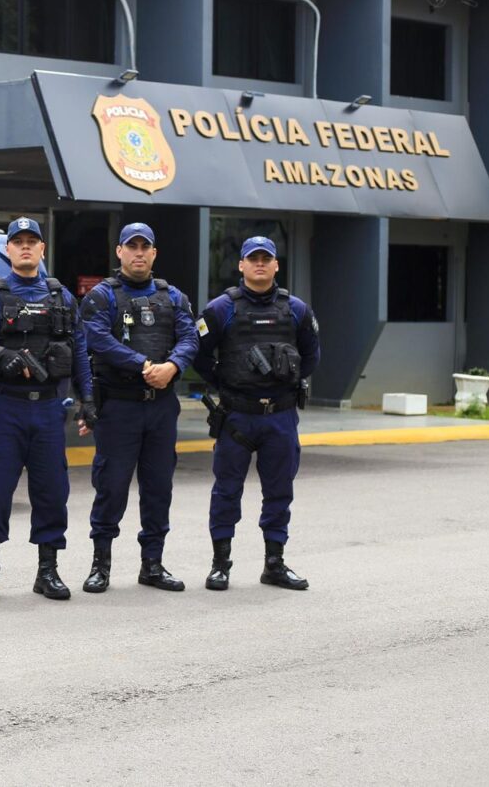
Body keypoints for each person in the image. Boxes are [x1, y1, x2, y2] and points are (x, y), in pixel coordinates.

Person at [0, 217, 96, 601]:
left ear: (42, 249)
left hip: (49, 409)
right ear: (8, 249)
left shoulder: (61, 296)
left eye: (32, 241)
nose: (25, 247)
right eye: (18, 242)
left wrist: (88, 400)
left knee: (52, 492)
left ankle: (47, 572)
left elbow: (80, 349)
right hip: (5, 407)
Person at [194, 236, 320, 591]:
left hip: (279, 416)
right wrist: (225, 380)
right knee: (226, 491)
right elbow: (200, 355)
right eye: (253, 259)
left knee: (279, 491)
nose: (260, 264)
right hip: (237, 416)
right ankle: (221, 564)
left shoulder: (296, 309)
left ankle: (274, 564)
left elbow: (311, 356)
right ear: (242, 266)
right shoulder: (221, 309)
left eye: (267, 258)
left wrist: (287, 381)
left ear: (276, 265)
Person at [79, 223, 198, 593]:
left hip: (161, 408)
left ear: (154, 253)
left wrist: (174, 366)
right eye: (132, 246)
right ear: (119, 252)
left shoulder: (173, 297)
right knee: (111, 486)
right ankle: (101, 565)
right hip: (120, 407)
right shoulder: (102, 296)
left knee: (158, 487)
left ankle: (153, 564)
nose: (139, 253)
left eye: (145, 247)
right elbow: (96, 339)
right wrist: (144, 366)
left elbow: (190, 336)